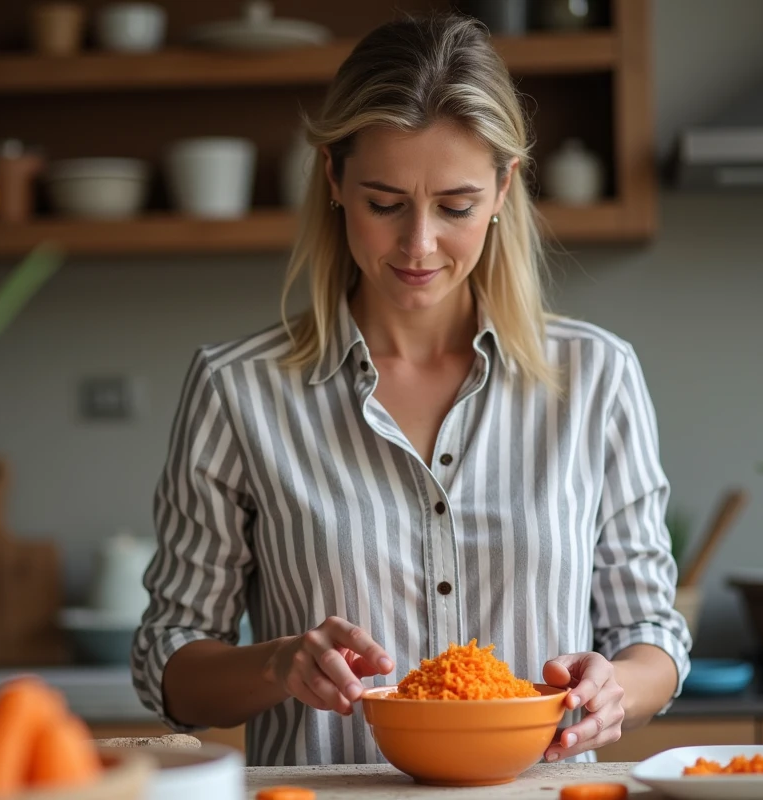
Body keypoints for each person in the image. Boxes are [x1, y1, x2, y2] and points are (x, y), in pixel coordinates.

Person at [131, 12, 691, 767]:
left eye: (455, 206)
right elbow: (169, 662)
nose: (419, 244)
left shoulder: (596, 376)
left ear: (503, 188)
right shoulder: (239, 390)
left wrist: (615, 687)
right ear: (333, 179)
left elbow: (650, 634)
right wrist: (279, 664)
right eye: (385, 203)